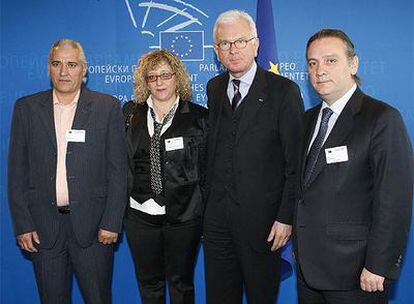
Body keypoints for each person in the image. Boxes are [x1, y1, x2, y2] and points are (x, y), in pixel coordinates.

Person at [294, 29, 413, 304]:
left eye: (330, 61)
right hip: (309, 272)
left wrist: (378, 265)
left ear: (353, 64)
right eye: (312, 63)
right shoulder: (307, 120)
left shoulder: (382, 118)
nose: (319, 70)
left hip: (356, 273)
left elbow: (394, 200)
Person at [7, 38, 128, 304]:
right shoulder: (26, 108)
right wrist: (23, 224)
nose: (64, 72)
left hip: (95, 229)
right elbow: (16, 172)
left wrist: (111, 221)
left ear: (84, 71)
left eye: (72, 64)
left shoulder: (106, 107)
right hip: (43, 229)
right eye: (57, 64)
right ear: (48, 69)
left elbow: (118, 171)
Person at [203, 9, 304, 304]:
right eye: (224, 44)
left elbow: (294, 162)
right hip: (217, 222)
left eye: (240, 41)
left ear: (256, 44)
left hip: (264, 224)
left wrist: (286, 217)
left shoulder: (284, 92)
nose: (232, 50)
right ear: (216, 51)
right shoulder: (214, 88)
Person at [123, 50, 208, 304]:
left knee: (181, 284)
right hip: (139, 216)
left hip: (184, 217)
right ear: (144, 82)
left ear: (177, 77)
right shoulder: (129, 114)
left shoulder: (199, 117)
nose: (159, 82)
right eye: (152, 77)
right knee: (149, 285)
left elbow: (208, 172)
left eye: (165, 75)